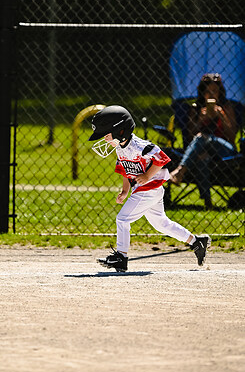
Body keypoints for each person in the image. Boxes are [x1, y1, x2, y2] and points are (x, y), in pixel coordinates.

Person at [88, 105, 211, 272]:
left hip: (149, 188)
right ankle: (197, 242)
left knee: (122, 219)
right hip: (146, 190)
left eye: (106, 135)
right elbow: (125, 169)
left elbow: (162, 158)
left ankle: (121, 257)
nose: (105, 140)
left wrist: (146, 176)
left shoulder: (139, 145)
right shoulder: (120, 147)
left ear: (121, 131)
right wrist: (125, 190)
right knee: (161, 224)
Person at [169, 73, 237, 209]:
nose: (211, 95)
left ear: (220, 93)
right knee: (202, 157)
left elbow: (232, 137)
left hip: (224, 151)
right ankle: (208, 202)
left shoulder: (226, 108)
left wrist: (222, 117)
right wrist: (200, 120)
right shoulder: (196, 108)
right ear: (203, 93)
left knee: (202, 137)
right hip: (201, 152)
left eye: (215, 92)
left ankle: (180, 170)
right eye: (208, 92)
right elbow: (189, 137)